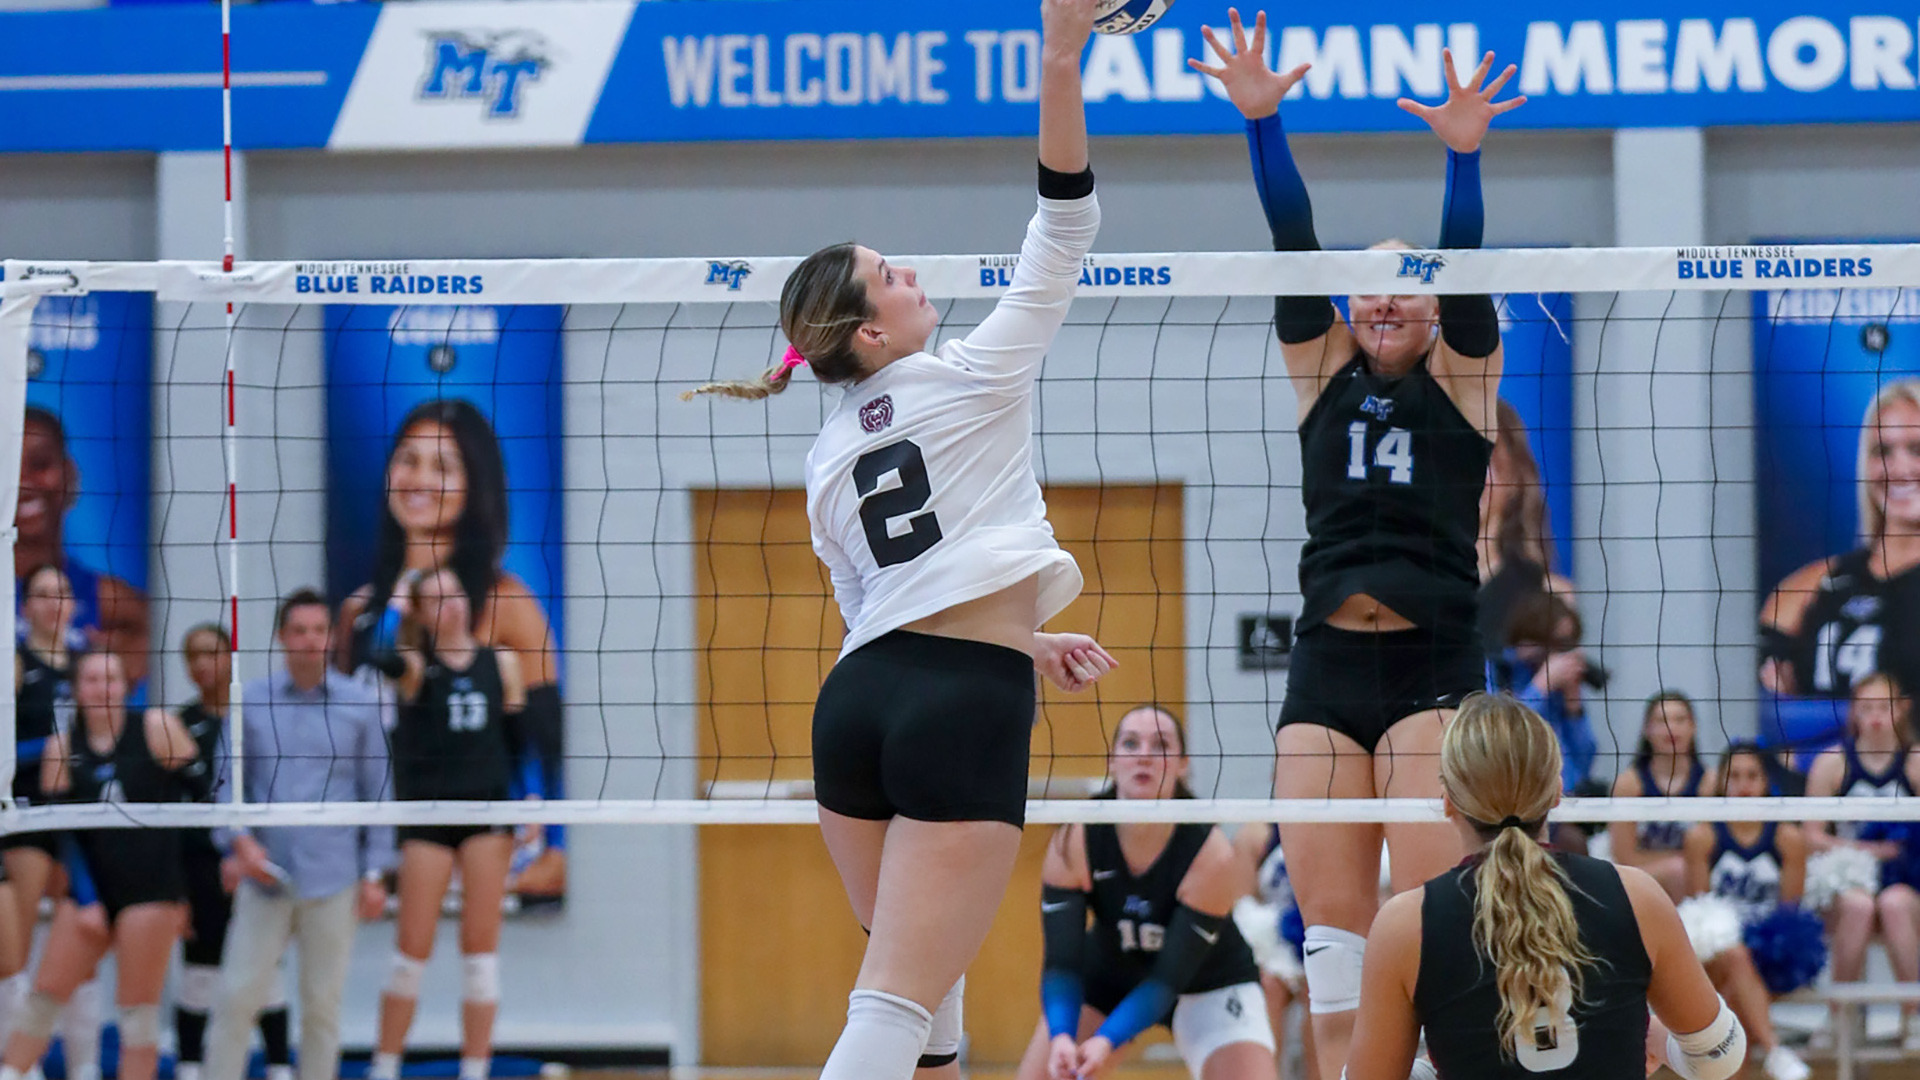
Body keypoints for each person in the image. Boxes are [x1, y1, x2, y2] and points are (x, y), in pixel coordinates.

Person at [686, 4, 1115, 1076]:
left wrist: (1025, 634)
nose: (915, 273)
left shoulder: (827, 457)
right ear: (871, 332)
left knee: (928, 1002)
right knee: (889, 1003)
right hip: (959, 704)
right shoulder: (973, 373)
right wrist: (1060, 53)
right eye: (894, 274)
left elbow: (888, 598)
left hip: (859, 709)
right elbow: (1065, 223)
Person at [1190, 13, 1523, 1077]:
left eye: (1409, 283)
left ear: (1435, 309)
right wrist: (1264, 125)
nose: (1386, 295)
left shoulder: (1468, 383)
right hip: (1325, 668)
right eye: (1371, 282)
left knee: (1427, 934)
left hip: (1431, 670)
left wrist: (1463, 155)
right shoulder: (1320, 368)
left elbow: (1463, 263)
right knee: (1331, 951)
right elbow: (1292, 242)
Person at [1343, 692, 1746, 1080]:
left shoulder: (1405, 925)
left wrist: (1443, 1064)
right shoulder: (1635, 896)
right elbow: (1719, 1058)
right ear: (1556, 790)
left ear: (1448, 798)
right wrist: (1658, 1039)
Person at [332, 397, 565, 899]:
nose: (419, 478)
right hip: (384, 830)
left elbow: (547, 739)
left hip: (477, 822)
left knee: (475, 960)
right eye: (408, 459)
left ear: (474, 482)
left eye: (443, 465)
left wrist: (554, 840)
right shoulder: (358, 610)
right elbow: (346, 735)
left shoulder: (509, 604)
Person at [1019, 706, 1274, 1080]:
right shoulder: (1077, 837)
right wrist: (1061, 1036)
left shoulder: (1211, 851)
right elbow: (1061, 964)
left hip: (1210, 980)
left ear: (1183, 764)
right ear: (1112, 760)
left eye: (1161, 745)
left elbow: (1166, 981)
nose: (1144, 755)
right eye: (1131, 743)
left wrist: (1107, 1041)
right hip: (1111, 973)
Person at [203, 589, 394, 1080]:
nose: (310, 640)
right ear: (282, 638)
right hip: (265, 873)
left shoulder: (360, 703)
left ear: (331, 637)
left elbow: (380, 793)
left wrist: (376, 873)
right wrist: (237, 840)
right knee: (235, 998)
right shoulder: (249, 700)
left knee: (321, 1009)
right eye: (299, 631)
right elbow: (226, 784)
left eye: (318, 630)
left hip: (334, 876)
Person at [0, 651, 190, 1080]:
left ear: (125, 685)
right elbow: (64, 835)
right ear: (77, 689)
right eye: (91, 679)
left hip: (151, 888)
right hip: (90, 890)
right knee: (44, 996)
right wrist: (85, 899)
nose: (102, 687)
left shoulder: (159, 729)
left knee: (137, 1015)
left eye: (111, 678)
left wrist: (189, 895)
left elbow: (204, 807)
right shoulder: (61, 749)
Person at [367, 569, 524, 1080]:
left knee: (481, 954)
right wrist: (394, 606)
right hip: (429, 815)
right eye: (433, 599)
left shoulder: (502, 662)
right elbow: (377, 654)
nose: (449, 605)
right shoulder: (414, 666)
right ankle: (385, 1067)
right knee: (411, 951)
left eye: (454, 593)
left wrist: (533, 803)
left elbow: (521, 742)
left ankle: (474, 1071)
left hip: (486, 814)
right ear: (421, 613)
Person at [169, 624, 294, 1080]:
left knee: (265, 966)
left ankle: (280, 1065)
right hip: (201, 863)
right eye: (193, 655)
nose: (203, 664)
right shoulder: (178, 725)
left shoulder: (256, 719)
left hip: (256, 859)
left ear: (229, 658)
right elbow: (170, 813)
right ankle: (187, 1064)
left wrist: (251, 853)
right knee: (200, 967)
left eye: (212, 653)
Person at [1763, 378, 1920, 701]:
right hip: (1815, 751)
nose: (1899, 467)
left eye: (1917, 449)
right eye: (1883, 451)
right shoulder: (1813, 584)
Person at [1679, 745, 1815, 1080]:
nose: (1743, 785)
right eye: (1734, 776)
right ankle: (1775, 1051)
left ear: (1766, 780)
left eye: (1752, 775)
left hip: (1771, 958)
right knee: (1734, 959)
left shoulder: (1788, 837)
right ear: (1721, 782)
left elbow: (1789, 918)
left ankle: (1771, 1053)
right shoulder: (1703, 837)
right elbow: (1701, 913)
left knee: (1733, 1003)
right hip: (1716, 955)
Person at [1802, 671, 1920, 1047]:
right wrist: (1868, 852)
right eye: (1865, 707)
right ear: (1853, 712)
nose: (1874, 716)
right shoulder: (1833, 763)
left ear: (1901, 709)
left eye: (1882, 707)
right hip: (1849, 878)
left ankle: (1914, 1019)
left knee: (1894, 903)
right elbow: (1811, 836)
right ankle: (1840, 1019)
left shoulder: (1915, 762)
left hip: (1905, 879)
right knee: (1858, 904)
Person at [14, 407, 150, 685]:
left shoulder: (111, 600)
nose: (22, 482)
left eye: (39, 464)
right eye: (7, 466)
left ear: (69, 475)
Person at [1609, 692, 1716, 900]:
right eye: (1661, 721)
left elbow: (1711, 855)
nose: (1671, 728)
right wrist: (1679, 862)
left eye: (1680, 720)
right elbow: (1624, 857)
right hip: (1640, 878)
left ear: (1693, 727)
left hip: (1696, 881)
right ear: (1646, 730)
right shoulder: (1629, 784)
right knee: (1677, 870)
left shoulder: (1709, 783)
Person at [1230, 823, 1316, 1080]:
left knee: (1319, 993)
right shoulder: (1254, 837)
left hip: (1322, 937)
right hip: (1275, 944)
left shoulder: (1340, 826)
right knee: (1266, 986)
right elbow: (1242, 910)